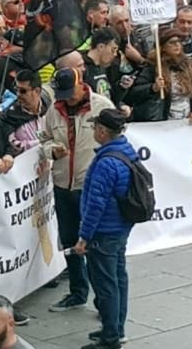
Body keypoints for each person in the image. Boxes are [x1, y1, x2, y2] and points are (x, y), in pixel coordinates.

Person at [40, 67, 114, 313]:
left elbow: (115, 141)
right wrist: (52, 149)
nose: (68, 98)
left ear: (82, 83)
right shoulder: (54, 109)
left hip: (90, 186)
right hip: (62, 185)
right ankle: (77, 292)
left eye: (71, 92)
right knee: (70, 241)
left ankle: (103, 300)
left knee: (93, 245)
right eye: (63, 94)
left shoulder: (102, 106)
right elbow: (43, 139)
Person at [77, 108, 137, 349]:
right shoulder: (127, 151)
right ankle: (116, 328)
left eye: (95, 127)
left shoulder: (105, 162)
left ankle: (110, 338)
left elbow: (96, 203)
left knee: (106, 284)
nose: (93, 131)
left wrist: (84, 236)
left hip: (104, 230)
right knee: (119, 277)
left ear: (102, 131)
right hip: (121, 226)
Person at [125, 29, 192, 122]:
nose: (177, 45)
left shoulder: (190, 66)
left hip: (187, 119)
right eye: (172, 42)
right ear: (163, 47)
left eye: (179, 41)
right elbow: (134, 94)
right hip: (164, 121)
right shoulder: (153, 68)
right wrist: (152, 88)